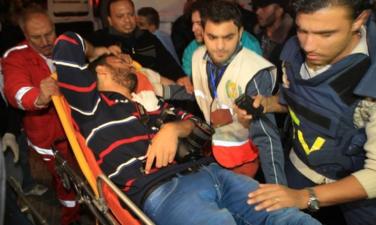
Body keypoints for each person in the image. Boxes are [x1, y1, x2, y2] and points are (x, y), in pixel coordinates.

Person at [53, 30, 321, 225]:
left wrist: (175, 130)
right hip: (162, 190)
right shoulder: (92, 106)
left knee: (289, 217)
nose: (127, 62)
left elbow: (202, 127)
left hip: (213, 172)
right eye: (119, 61)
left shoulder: (153, 102)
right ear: (100, 72)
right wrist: (98, 51)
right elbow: (66, 42)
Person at [237, 1, 376, 225]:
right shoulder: (293, 50)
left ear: (359, 20)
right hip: (301, 166)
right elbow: (293, 101)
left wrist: (306, 197)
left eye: (325, 34)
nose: (308, 45)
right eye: (302, 30)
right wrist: (268, 103)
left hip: (362, 187)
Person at [1, 6, 111, 225]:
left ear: (54, 27)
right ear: (25, 35)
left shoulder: (64, 43)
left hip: (81, 128)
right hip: (49, 139)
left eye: (49, 34)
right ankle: (69, 219)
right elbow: (16, 91)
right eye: (36, 37)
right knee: (67, 185)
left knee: (96, 173)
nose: (45, 42)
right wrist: (40, 97)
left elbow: (86, 48)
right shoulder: (14, 57)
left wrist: (99, 51)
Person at [191, 0, 286, 182]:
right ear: (202, 34)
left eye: (228, 37)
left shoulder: (254, 71)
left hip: (246, 162)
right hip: (214, 152)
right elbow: (198, 92)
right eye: (212, 37)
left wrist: (278, 187)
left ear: (240, 33)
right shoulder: (197, 57)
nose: (220, 46)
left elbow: (266, 136)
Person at [87, 0, 187, 85]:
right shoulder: (98, 39)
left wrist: (181, 77)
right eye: (120, 16)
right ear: (110, 20)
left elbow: (168, 63)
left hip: (158, 91)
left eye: (130, 14)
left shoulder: (148, 37)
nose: (127, 20)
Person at [182, 0, 263, 77]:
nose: (194, 29)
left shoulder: (250, 44)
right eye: (193, 23)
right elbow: (190, 81)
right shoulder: (192, 51)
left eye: (199, 23)